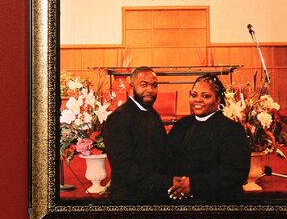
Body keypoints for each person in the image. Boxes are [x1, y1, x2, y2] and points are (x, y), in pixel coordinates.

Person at [168, 74, 251, 203]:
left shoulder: (232, 129)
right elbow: (168, 159)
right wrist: (173, 180)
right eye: (194, 95)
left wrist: (194, 185)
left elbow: (236, 173)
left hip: (217, 201)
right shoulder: (181, 125)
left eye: (206, 96)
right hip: (181, 199)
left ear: (218, 100)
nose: (198, 100)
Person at [100, 66, 171, 203]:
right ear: (131, 87)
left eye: (154, 85)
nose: (150, 90)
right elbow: (124, 168)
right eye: (144, 85)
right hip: (129, 198)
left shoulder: (153, 114)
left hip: (153, 194)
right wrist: (167, 181)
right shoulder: (119, 118)